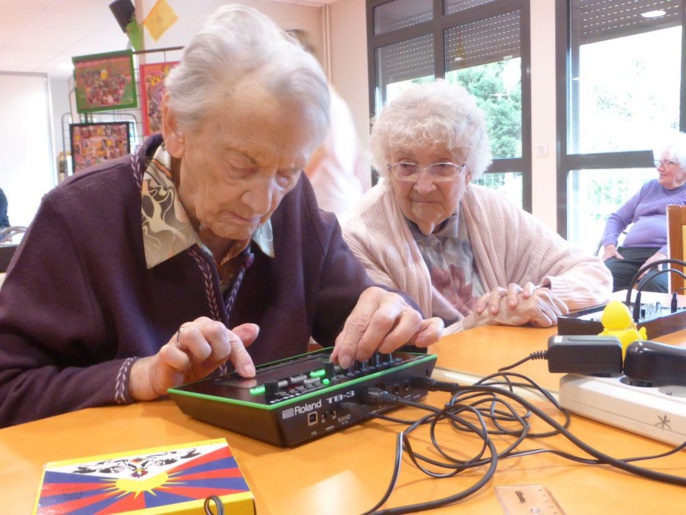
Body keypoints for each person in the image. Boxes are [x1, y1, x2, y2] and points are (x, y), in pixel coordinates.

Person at [0, 5, 442, 428]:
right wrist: (141, 376)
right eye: (241, 166)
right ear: (175, 126)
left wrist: (392, 313)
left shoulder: (294, 204)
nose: (261, 202)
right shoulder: (78, 217)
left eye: (287, 172)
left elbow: (370, 318)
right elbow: (8, 388)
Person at [343, 79, 612, 334]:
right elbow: (398, 345)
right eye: (406, 166)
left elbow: (595, 274)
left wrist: (539, 298)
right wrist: (481, 322)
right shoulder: (358, 235)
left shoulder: (492, 210)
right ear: (387, 168)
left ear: (469, 172)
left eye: (443, 166)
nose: (423, 185)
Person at [287, 29, 371, 219]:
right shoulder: (335, 96)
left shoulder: (311, 97)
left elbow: (320, 150)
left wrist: (286, 189)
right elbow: (359, 156)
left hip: (327, 204)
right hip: (349, 201)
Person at [600, 133, 686, 293]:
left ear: (684, 166)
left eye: (667, 163)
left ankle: (652, 319)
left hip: (670, 255)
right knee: (600, 278)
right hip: (630, 254)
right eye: (660, 162)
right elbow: (616, 218)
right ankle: (605, 318)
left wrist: (662, 254)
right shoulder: (650, 187)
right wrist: (609, 245)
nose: (659, 168)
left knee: (653, 284)